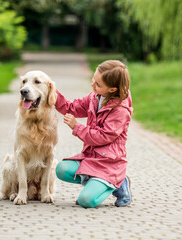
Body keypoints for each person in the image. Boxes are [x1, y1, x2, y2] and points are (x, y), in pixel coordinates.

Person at [55, 60, 133, 208]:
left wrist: (76, 127)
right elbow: (72, 107)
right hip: (91, 158)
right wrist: (52, 93)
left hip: (108, 163)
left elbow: (102, 137)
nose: (93, 85)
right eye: (93, 79)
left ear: (112, 89)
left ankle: (118, 183)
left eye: (98, 84)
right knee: (61, 169)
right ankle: (97, 183)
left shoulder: (120, 110)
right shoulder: (95, 97)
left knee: (86, 201)